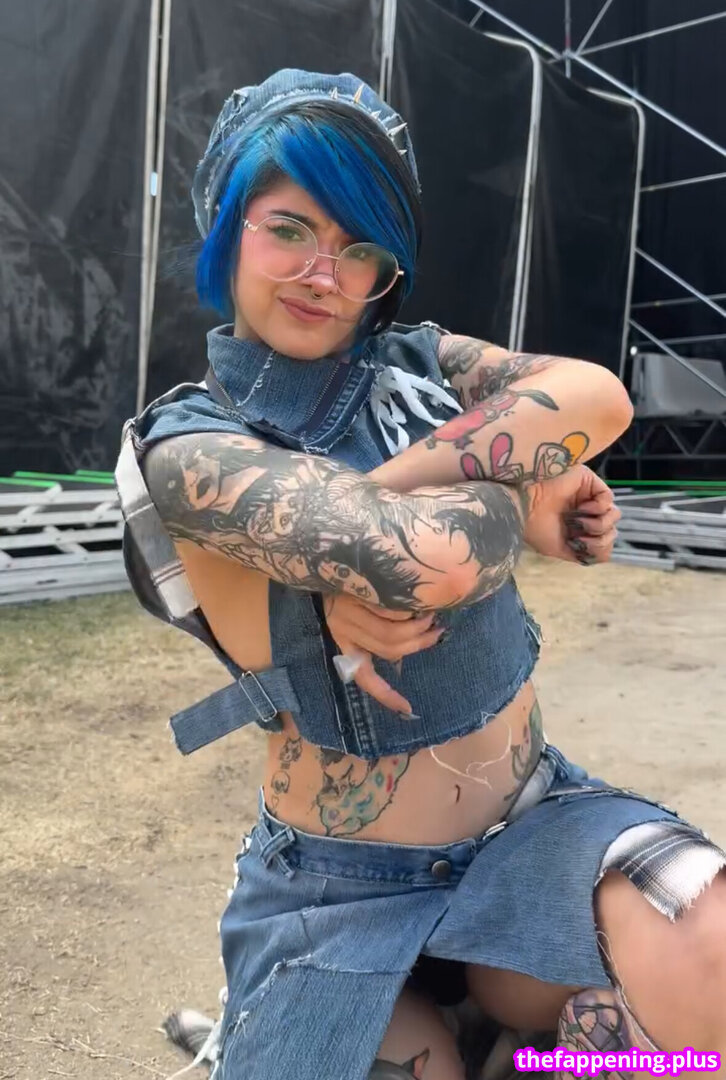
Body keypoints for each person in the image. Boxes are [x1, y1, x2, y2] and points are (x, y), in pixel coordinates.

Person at [115, 70, 726, 1080]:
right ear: (227, 231)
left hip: (533, 826)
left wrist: (400, 487)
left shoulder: (421, 360)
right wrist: (520, 470)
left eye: (358, 248)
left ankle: (531, 1052)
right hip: (337, 889)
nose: (323, 273)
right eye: (288, 229)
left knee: (709, 944)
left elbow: (597, 395)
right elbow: (428, 562)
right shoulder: (188, 441)